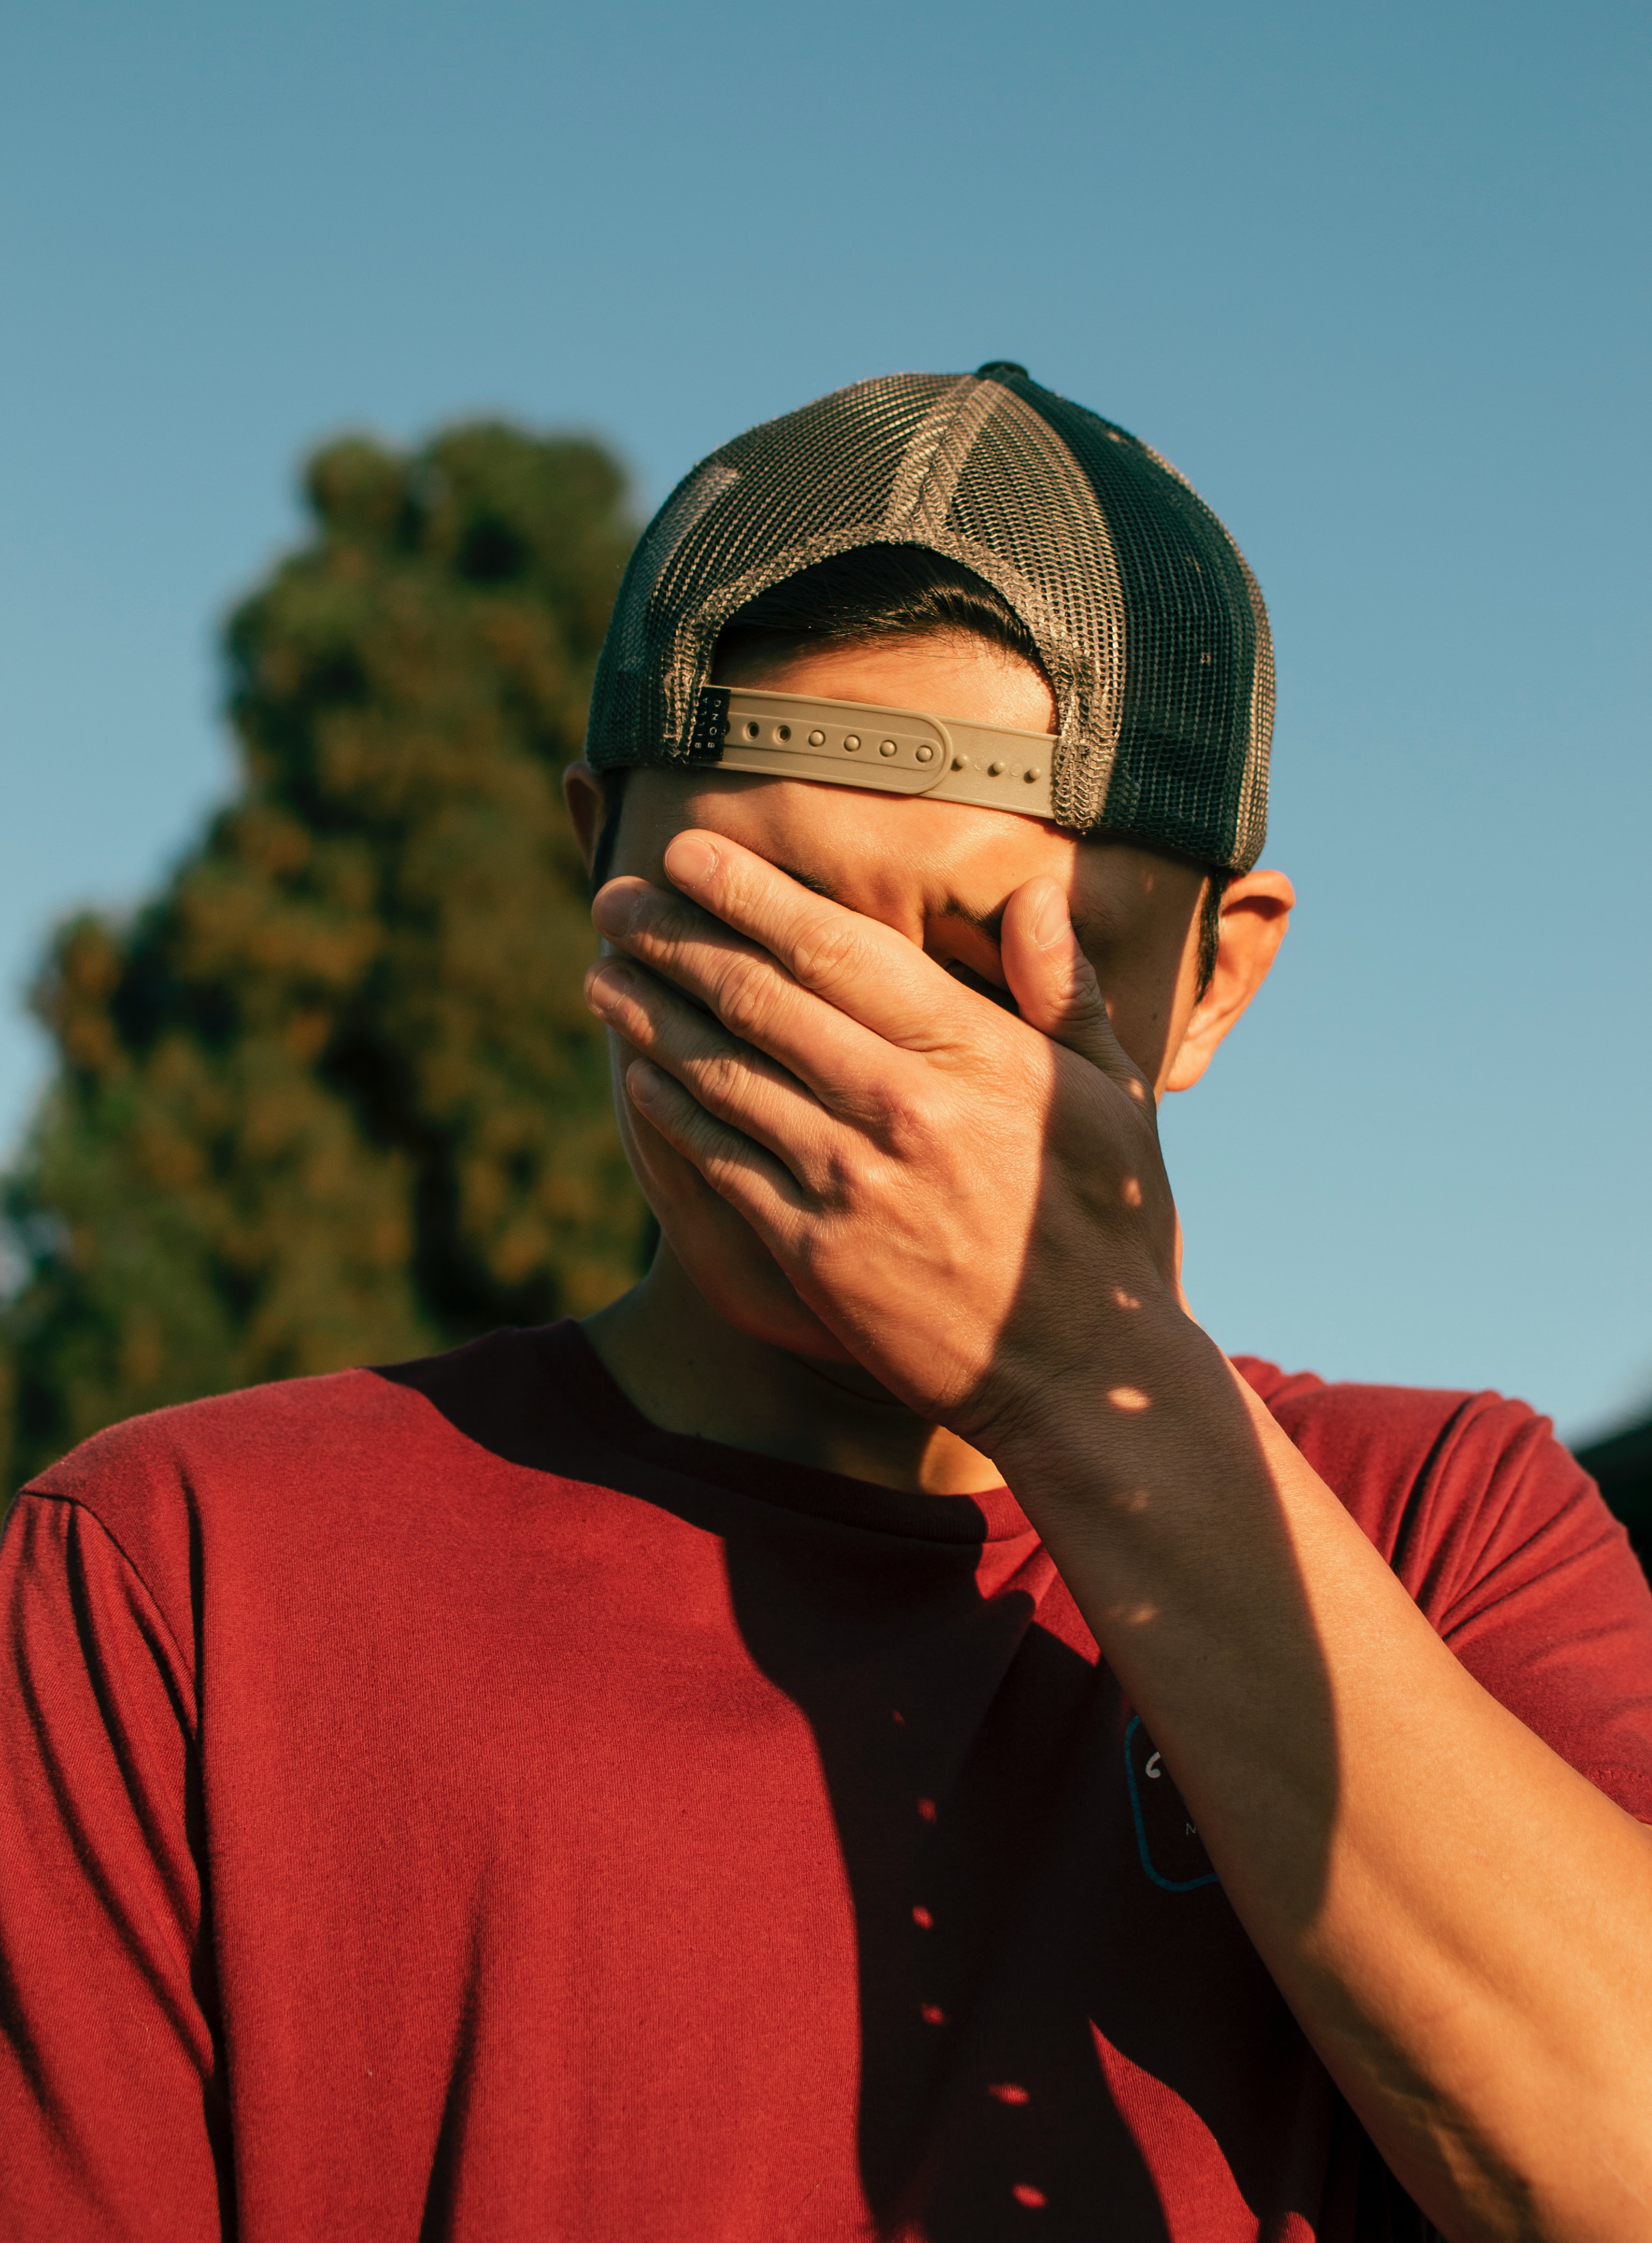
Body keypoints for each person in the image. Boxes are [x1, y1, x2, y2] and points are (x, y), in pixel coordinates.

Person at [3, 364, 1650, 2243]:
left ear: (1216, 981)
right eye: (761, 934)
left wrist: (1084, 1381)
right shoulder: (184, 1570)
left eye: (995, 962)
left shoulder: (1440, 1528)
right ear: (596, 867)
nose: (874, 1063)